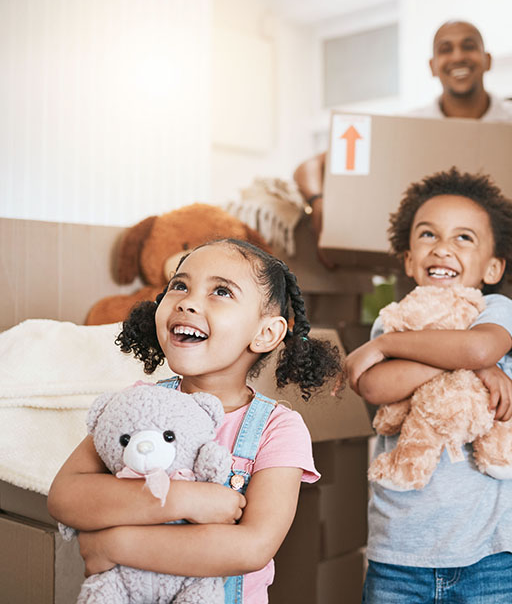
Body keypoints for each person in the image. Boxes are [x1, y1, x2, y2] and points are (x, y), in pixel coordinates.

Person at [47, 239, 341, 603]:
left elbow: (251, 547)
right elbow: (66, 496)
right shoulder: (138, 403)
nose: (186, 301)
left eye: (221, 291)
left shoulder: (277, 429)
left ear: (265, 333)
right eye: (179, 285)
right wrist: (185, 498)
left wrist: (115, 544)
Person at [344, 168, 512, 604]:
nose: (443, 248)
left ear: (493, 266)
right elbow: (376, 386)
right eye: (428, 235)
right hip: (399, 550)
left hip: (489, 549)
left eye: (463, 238)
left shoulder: (496, 309)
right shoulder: (394, 316)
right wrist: (469, 364)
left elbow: (481, 345)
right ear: (409, 259)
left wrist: (393, 347)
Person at [293, 19, 512, 246]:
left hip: (502, 277)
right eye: (445, 49)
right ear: (432, 66)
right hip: (420, 277)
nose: (458, 56)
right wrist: (318, 202)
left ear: (487, 60)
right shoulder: (407, 127)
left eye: (468, 46)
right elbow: (310, 166)